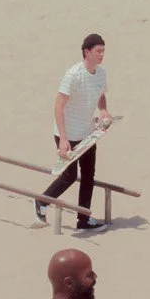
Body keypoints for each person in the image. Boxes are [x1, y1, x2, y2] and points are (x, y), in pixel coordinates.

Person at [36, 34, 112, 230]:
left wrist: (104, 110)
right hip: (67, 134)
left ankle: (83, 219)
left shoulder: (101, 74)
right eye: (98, 51)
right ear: (87, 52)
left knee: (88, 175)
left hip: (88, 134)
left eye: (103, 51)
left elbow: (100, 94)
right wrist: (63, 139)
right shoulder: (73, 75)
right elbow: (58, 106)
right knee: (69, 176)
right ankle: (42, 201)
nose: (102, 55)